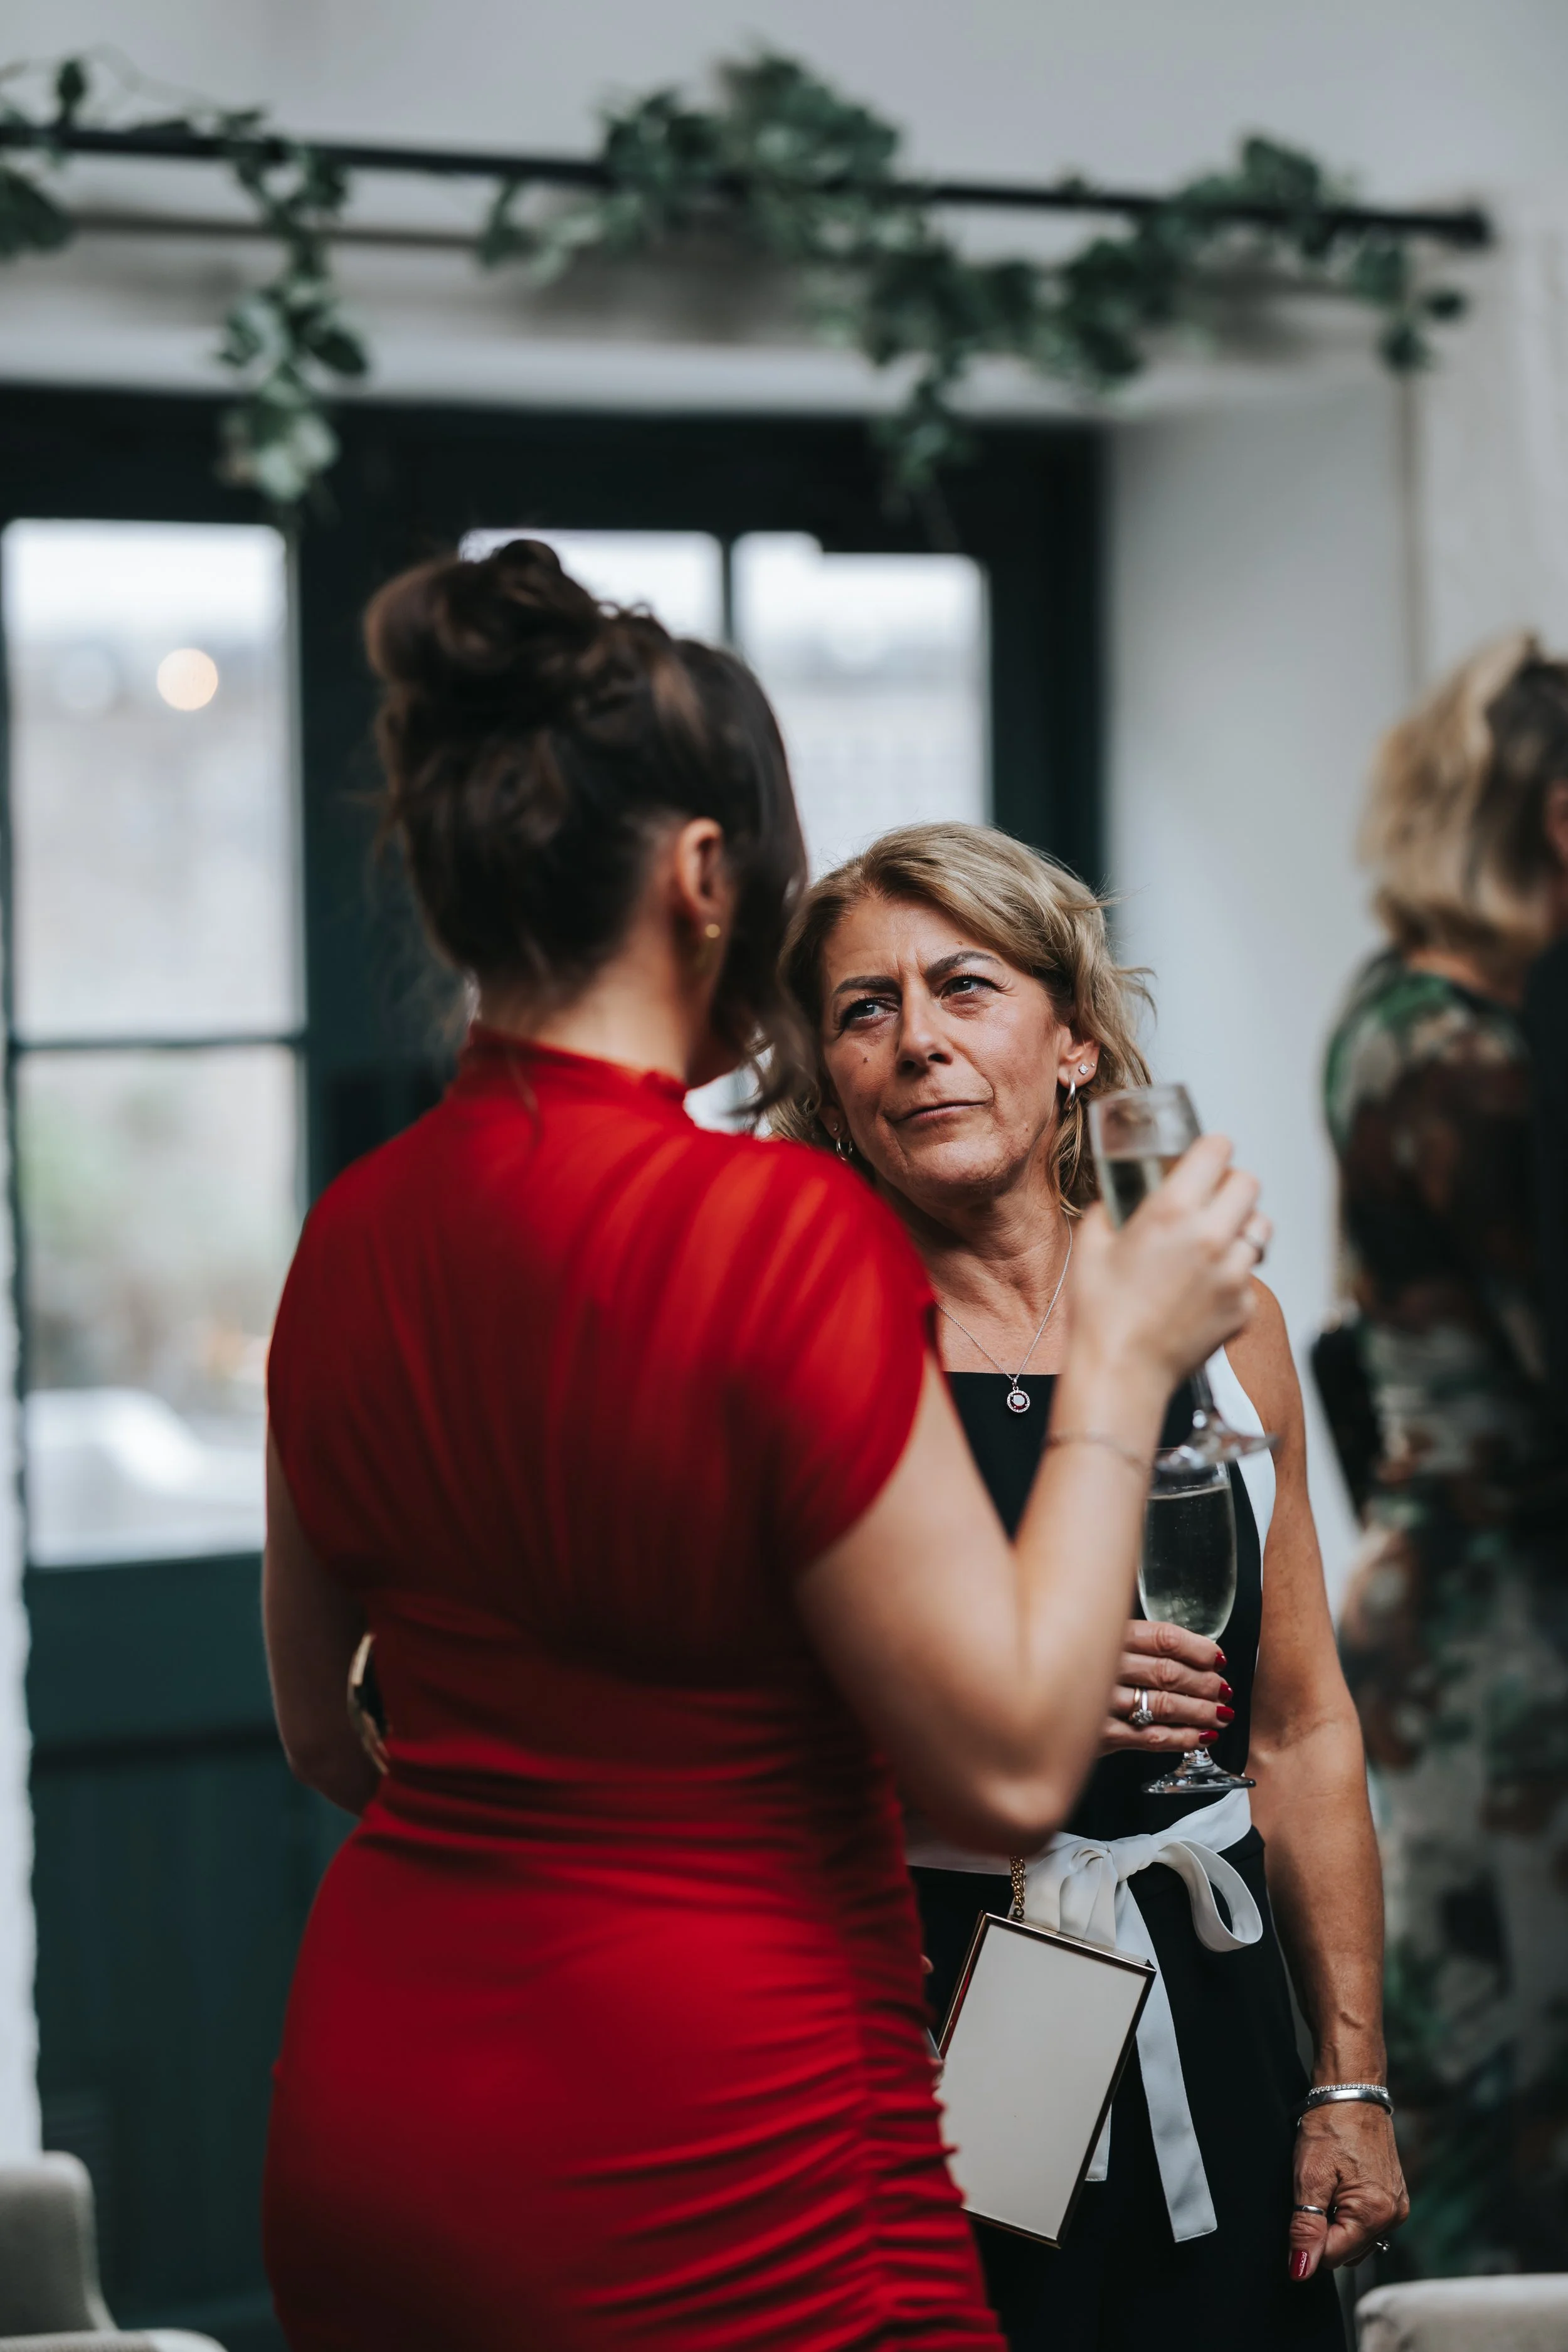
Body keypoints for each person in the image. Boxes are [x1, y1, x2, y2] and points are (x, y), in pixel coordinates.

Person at [258, 541, 1264, 2352]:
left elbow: (328, 1726)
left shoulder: (357, 1227)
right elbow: (1017, 1753)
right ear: (707, 872)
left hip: (378, 2095)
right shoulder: (770, 1225)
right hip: (708, 2124)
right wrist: (1119, 1352)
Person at [775, 822, 1405, 2352]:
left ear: (1070, 1042)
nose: (916, 1041)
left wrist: (1347, 2078)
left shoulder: (1221, 1317)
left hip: (1211, 1981)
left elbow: (1303, 1726)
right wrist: (1011, 1705)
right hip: (929, 2014)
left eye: (964, 988)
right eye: (865, 1011)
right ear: (833, 1084)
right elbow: (741, 1750)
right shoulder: (817, 1341)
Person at [1325, 635, 1568, 2280]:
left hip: (1462, 1595)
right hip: (1492, 1629)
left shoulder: (1401, 1004)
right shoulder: (1461, 1054)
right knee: (1498, 2061)